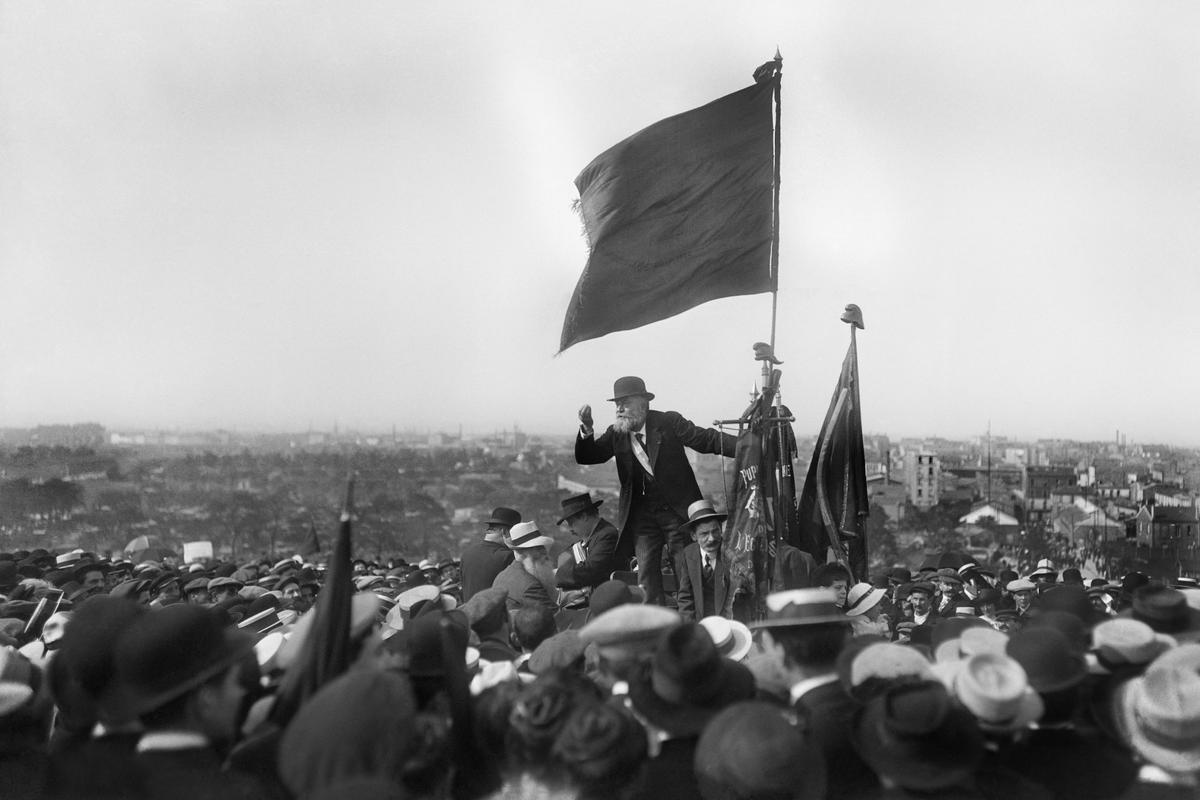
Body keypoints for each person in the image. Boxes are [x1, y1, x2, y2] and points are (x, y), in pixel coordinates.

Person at [575, 376, 736, 606]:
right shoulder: (617, 432)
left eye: (626, 402)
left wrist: (745, 446)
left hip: (677, 514)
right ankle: (655, 628)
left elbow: (706, 439)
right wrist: (587, 428)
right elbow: (588, 456)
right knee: (647, 578)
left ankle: (692, 625)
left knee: (687, 573)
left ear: (643, 403)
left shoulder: (668, 422)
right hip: (642, 520)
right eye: (617, 403)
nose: (619, 408)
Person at [676, 500, 733, 622]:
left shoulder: (731, 553)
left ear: (721, 529)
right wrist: (691, 629)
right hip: (699, 624)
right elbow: (685, 597)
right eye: (704, 534)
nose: (711, 538)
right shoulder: (688, 554)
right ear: (693, 536)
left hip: (727, 622)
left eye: (715, 531)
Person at [555, 492, 624, 594]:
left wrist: (557, 576)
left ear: (584, 516)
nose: (570, 529)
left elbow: (592, 570)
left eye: (571, 523)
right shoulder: (598, 535)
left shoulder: (607, 535)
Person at [491, 522, 558, 615]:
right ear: (522, 553)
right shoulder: (530, 585)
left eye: (542, 547)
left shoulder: (502, 575)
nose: (545, 553)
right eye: (537, 548)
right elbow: (557, 618)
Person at [461, 507, 520, 602]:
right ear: (505, 532)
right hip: (494, 615)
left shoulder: (467, 554)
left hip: (469, 614)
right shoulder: (508, 556)